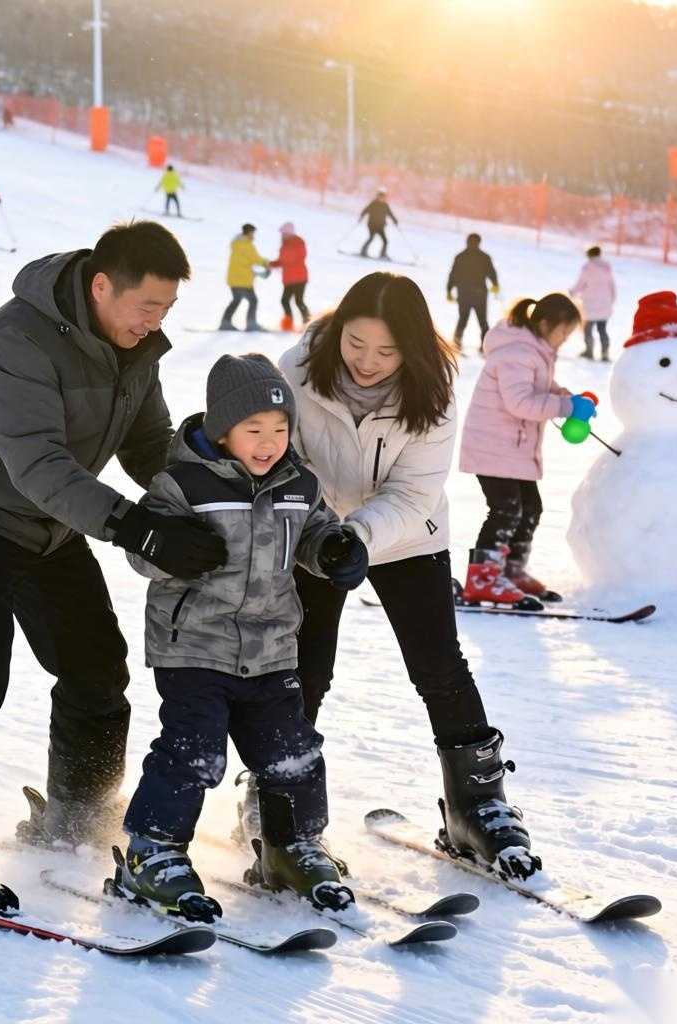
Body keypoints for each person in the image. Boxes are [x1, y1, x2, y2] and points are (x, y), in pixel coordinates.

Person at [0, 221, 228, 903]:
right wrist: (137, 529)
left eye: (167, 309)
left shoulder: (135, 346)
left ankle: (77, 814)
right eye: (146, 306)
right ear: (101, 287)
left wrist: (206, 500)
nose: (155, 322)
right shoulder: (19, 338)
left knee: (96, 663)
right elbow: (37, 463)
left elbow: (147, 440)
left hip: (49, 519)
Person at [277, 271, 541, 882]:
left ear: (413, 348)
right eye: (356, 344)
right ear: (338, 330)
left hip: (403, 532)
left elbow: (416, 489)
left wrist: (359, 535)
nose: (368, 363)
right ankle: (278, 799)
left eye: (387, 351)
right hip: (313, 532)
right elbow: (279, 457)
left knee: (439, 666)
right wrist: (321, 531)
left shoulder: (435, 388)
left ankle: (477, 806)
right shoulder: (297, 369)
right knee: (305, 667)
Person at [117, 353, 365, 919]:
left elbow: (315, 531)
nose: (269, 442)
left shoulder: (298, 482)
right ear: (222, 430)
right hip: (194, 647)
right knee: (195, 752)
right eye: (254, 429)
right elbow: (141, 552)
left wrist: (335, 550)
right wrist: (168, 545)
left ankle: (290, 845)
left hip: (272, 647)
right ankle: (152, 851)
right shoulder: (183, 484)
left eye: (280, 429)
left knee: (291, 752)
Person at [458, 294, 586, 608]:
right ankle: (483, 579)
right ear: (544, 324)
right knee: (506, 510)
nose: (563, 341)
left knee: (531, 508)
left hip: (512, 451)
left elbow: (536, 388)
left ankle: (510, 570)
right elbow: (521, 402)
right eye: (563, 334)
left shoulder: (534, 352)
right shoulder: (516, 353)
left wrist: (562, 395)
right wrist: (565, 406)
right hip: (493, 448)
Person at [446, 233, 499, 353]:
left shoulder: (460, 257)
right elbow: (492, 272)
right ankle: (485, 346)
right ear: (479, 242)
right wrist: (495, 284)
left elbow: (453, 274)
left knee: (462, 319)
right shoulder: (484, 257)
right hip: (480, 294)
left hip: (464, 294)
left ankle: (456, 343)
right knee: (483, 321)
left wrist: (449, 289)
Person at [570, 245, 617, 361]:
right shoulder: (607, 267)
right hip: (605, 303)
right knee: (602, 329)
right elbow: (612, 285)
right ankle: (605, 353)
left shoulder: (587, 267)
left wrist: (572, 292)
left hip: (590, 303)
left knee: (587, 329)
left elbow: (580, 284)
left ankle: (589, 351)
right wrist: (612, 299)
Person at [219, 223, 269, 332]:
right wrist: (267, 263)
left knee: (236, 300)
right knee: (253, 301)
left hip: (234, 279)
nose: (254, 236)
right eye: (253, 233)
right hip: (242, 280)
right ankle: (251, 324)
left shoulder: (237, 243)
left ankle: (225, 322)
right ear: (249, 232)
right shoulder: (246, 245)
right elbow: (256, 259)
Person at [270, 222, 309, 332]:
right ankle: (288, 323)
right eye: (282, 234)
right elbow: (282, 260)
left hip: (299, 277)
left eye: (284, 233)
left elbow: (300, 257)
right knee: (285, 300)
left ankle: (308, 323)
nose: (282, 235)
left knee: (298, 301)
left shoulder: (298, 242)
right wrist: (271, 264)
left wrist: (284, 261)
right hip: (289, 279)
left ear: (290, 233)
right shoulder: (284, 244)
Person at [358, 188, 398, 259]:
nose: (381, 198)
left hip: (380, 226)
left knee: (385, 240)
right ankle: (363, 251)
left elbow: (390, 214)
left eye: (383, 197)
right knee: (371, 237)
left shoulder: (385, 205)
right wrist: (361, 217)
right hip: (372, 224)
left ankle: (382, 254)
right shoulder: (373, 204)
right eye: (380, 196)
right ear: (377, 196)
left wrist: (395, 220)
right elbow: (365, 210)